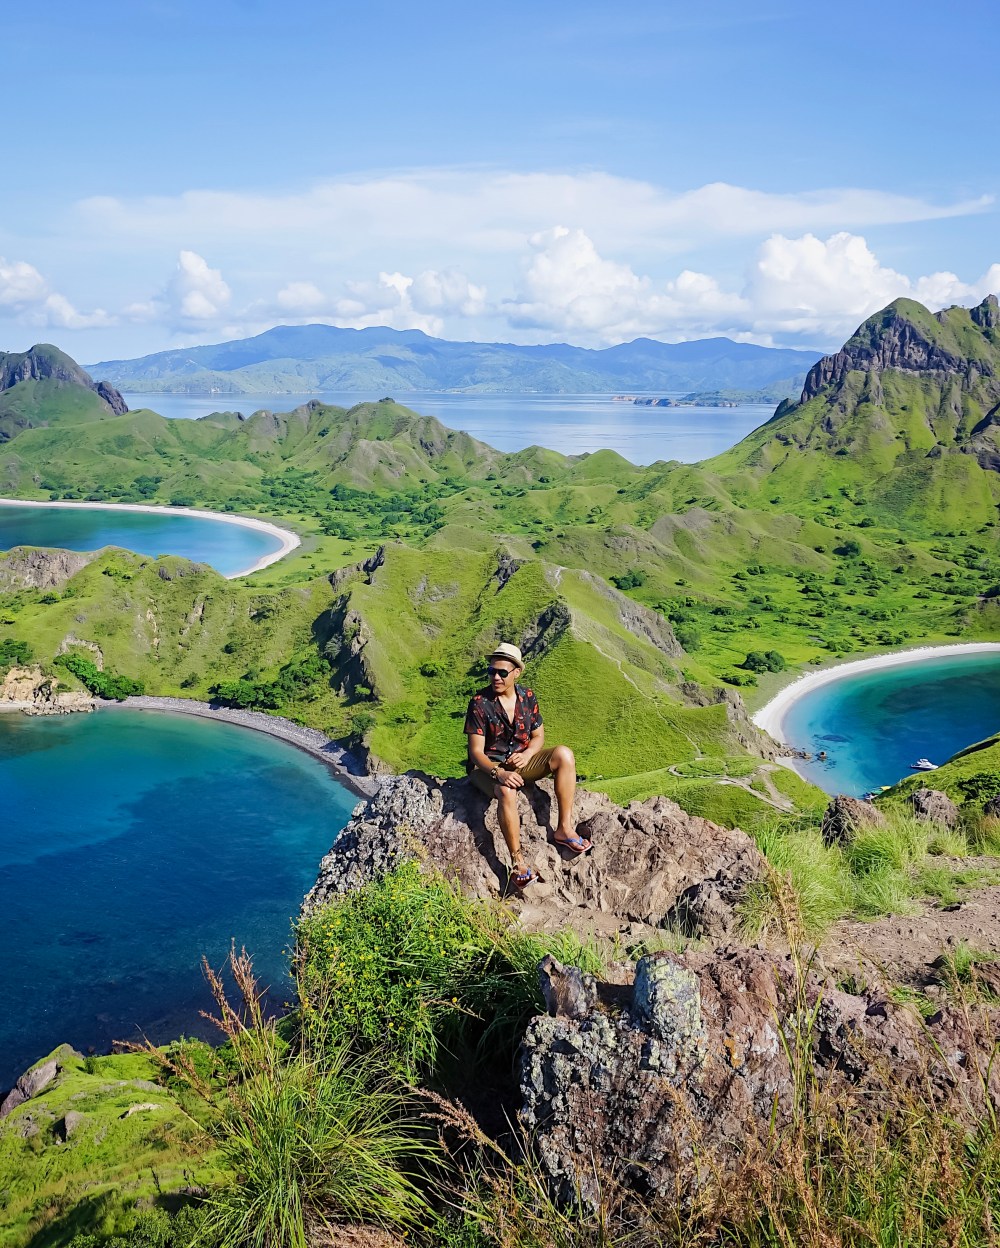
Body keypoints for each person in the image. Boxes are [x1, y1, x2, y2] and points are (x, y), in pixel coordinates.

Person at [464, 642, 591, 888]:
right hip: (487, 768)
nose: (496, 677)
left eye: (502, 672)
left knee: (564, 754)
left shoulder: (527, 697)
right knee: (506, 791)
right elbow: (475, 752)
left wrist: (529, 753)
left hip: (521, 761)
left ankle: (564, 828)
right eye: (492, 672)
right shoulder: (480, 703)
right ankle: (517, 862)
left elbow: (538, 736)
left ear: (516, 673)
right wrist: (498, 773)